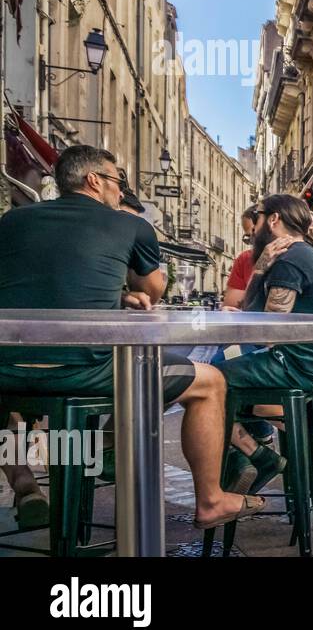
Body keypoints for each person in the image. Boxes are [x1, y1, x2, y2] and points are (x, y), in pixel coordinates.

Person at [0, 146, 262, 529]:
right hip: (86, 372)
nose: (120, 192)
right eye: (117, 181)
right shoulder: (129, 225)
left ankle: (26, 487)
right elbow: (152, 290)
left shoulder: (12, 220)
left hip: (7, 368)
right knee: (210, 382)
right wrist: (130, 289)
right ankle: (211, 500)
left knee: (14, 408)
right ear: (94, 180)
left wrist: (115, 295)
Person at [218, 194, 313, 488]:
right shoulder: (311, 254)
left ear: (273, 219)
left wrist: (258, 270)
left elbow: (264, 331)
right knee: (227, 386)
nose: (252, 229)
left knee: (204, 382)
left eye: (256, 219)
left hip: (296, 366)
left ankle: (257, 457)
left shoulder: (286, 259)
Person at [222, 207, 259, 310]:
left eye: (255, 235)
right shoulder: (245, 259)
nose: (253, 243)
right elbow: (230, 308)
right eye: (249, 238)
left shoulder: (291, 257)